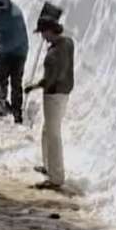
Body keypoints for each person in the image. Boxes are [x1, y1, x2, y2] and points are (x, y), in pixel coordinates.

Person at [25, 18, 75, 190]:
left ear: (50, 31)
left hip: (53, 95)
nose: (43, 37)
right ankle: (48, 166)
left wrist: (33, 86)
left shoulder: (52, 55)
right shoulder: (68, 42)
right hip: (65, 92)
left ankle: (56, 178)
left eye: (43, 33)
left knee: (53, 135)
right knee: (47, 131)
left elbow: (49, 80)